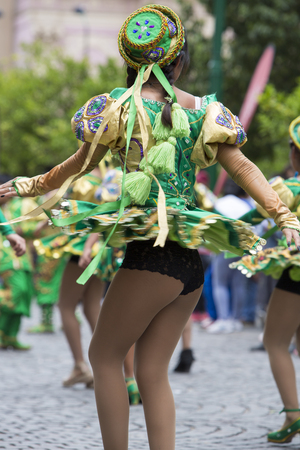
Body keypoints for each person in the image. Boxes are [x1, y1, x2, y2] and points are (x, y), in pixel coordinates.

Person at [0, 5, 300, 449]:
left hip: (151, 258)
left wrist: (26, 185)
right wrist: (283, 215)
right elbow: (245, 169)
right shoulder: (204, 111)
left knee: (103, 356)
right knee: (152, 371)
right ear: (179, 62)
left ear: (131, 62)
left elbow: (75, 167)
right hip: (188, 267)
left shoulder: (119, 109)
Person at [230, 116, 300, 444]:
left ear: (294, 154)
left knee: (274, 342)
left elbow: (252, 216)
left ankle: (293, 414)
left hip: (296, 274)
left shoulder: (287, 188)